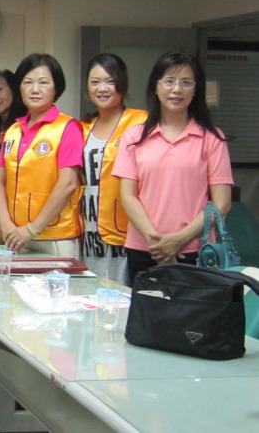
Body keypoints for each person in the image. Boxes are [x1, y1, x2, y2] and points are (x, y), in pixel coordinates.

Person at [113, 51, 233, 285]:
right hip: (144, 248)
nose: (177, 89)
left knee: (191, 309)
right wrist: (158, 245)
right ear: (156, 86)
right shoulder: (134, 136)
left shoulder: (212, 138)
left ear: (195, 90)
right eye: (169, 81)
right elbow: (128, 196)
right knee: (147, 308)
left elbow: (222, 203)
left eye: (186, 82)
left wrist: (178, 240)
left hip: (195, 250)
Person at [0, 54, 83, 257]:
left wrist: (32, 229)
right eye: (28, 82)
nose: (35, 89)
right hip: (15, 236)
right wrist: (6, 224)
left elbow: (68, 183)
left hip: (55, 238)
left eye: (43, 83)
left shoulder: (67, 127)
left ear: (56, 88)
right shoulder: (13, 130)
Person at [80, 54, 147, 285]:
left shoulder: (141, 122)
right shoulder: (83, 128)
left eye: (110, 81)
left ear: (123, 84)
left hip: (126, 233)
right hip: (88, 232)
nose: (102, 88)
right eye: (95, 82)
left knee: (124, 295)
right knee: (89, 295)